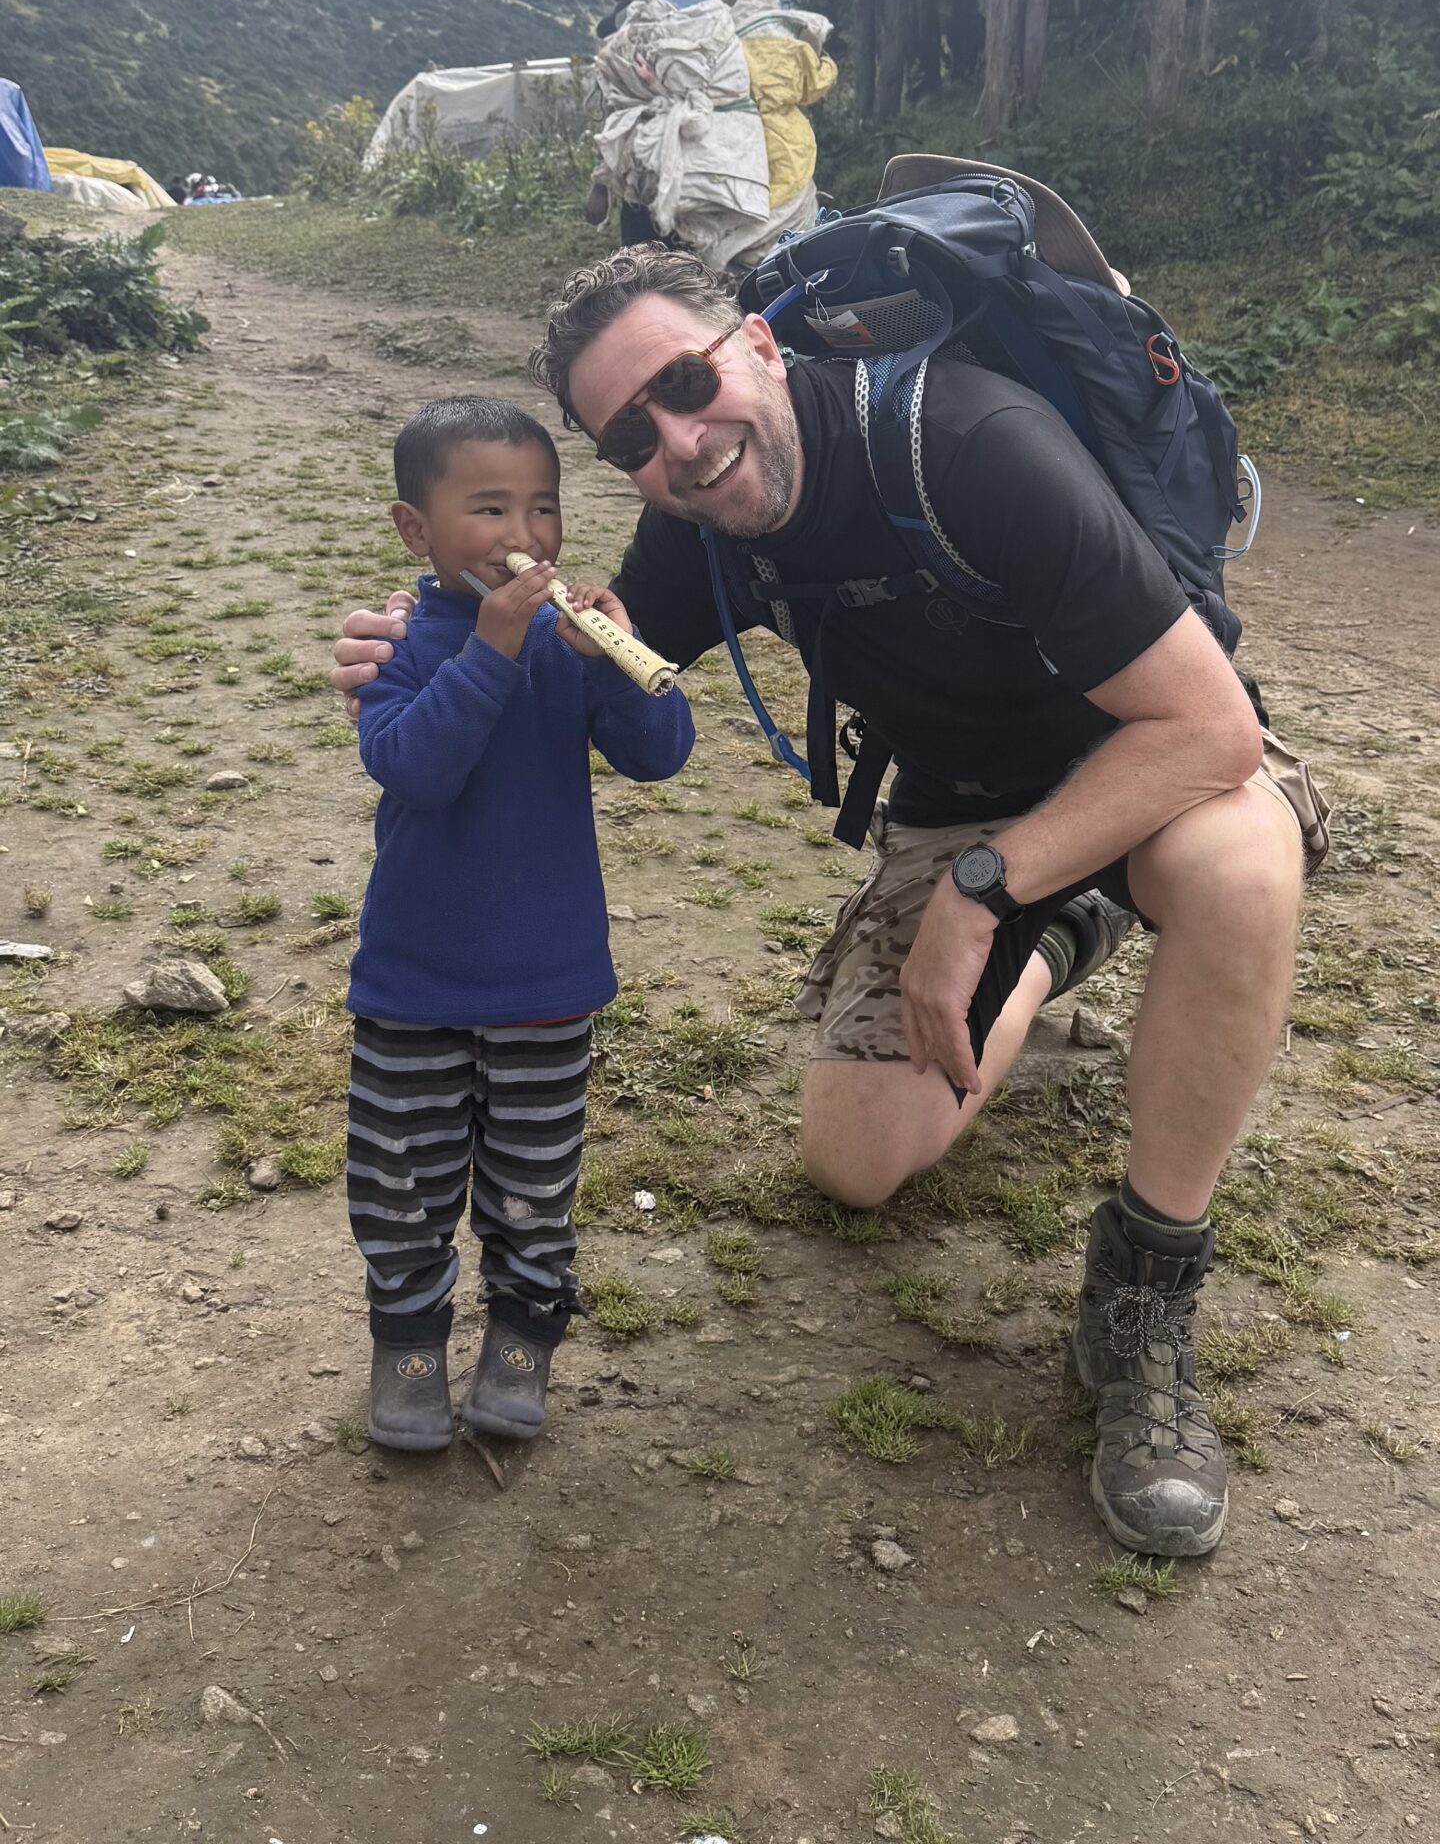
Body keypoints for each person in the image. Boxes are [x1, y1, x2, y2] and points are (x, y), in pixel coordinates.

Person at [331, 242, 1327, 1558]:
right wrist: (429, 634)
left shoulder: (971, 442)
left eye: (686, 383)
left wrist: (981, 891)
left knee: (1236, 866)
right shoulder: (699, 520)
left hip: (1152, 759)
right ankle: (1058, 948)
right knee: (856, 1165)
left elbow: (1209, 732)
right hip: (965, 809)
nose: (679, 441)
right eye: (631, 431)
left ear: (754, 339)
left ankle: (1146, 1297)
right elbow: (600, 644)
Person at [345, 393, 693, 1454]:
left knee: (535, 1182)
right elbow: (414, 766)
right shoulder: (404, 646)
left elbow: (659, 751)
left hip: (547, 983)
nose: (523, 537)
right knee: (400, 1180)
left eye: (542, 509)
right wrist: (489, 650)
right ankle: (406, 1341)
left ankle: (523, 1332)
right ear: (419, 528)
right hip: (413, 982)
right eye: (489, 510)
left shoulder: (570, 638)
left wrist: (619, 668)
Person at [585, 0, 666, 246]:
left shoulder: (612, 28)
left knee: (644, 267)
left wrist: (600, 187)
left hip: (641, 173)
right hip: (688, 167)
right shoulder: (675, 19)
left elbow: (616, 109)